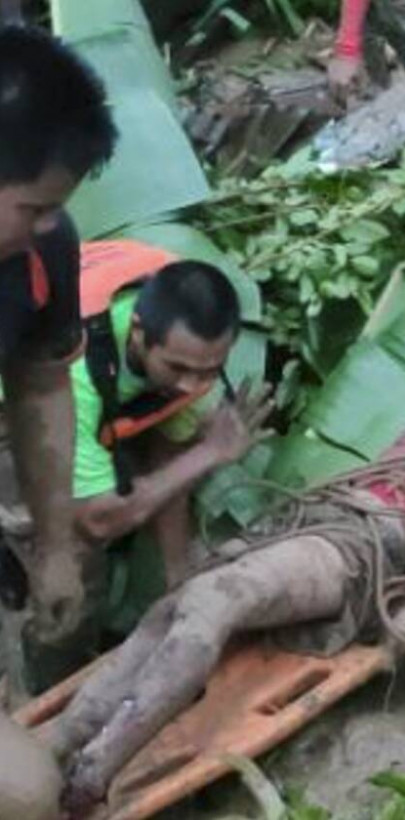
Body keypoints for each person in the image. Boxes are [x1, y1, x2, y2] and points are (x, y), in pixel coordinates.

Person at [42, 363, 405, 815]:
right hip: (327, 515)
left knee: (215, 600)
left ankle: (91, 773)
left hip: (373, 542)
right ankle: (61, 744)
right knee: (173, 606)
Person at [22, 241, 274, 692]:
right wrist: (211, 451)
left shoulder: (190, 352)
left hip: (97, 410)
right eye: (178, 368)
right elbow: (95, 520)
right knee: (71, 582)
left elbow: (167, 451)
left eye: (207, 371)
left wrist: (177, 575)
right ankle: (44, 696)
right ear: (138, 332)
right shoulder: (72, 369)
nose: (191, 384)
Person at [0, 22, 116, 820]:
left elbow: (41, 389)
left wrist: (53, 548)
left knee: (31, 796)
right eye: (31, 207)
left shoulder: (44, 253)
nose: (46, 226)